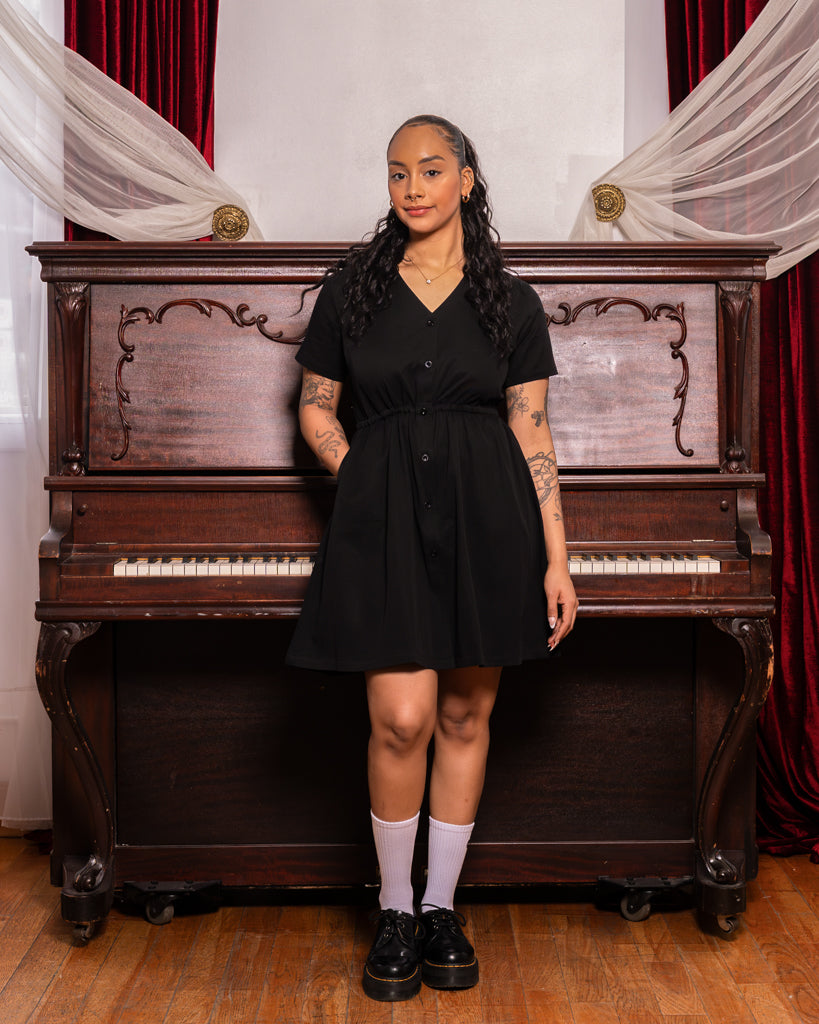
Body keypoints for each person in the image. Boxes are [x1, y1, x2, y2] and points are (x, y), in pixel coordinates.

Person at [286, 114, 578, 1002]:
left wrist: (556, 559)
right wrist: (360, 472)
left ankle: (441, 907)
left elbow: (530, 429)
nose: (411, 186)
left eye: (429, 169)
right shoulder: (352, 292)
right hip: (383, 523)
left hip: (490, 518)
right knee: (401, 717)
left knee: (461, 717)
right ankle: (395, 908)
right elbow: (314, 408)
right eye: (395, 173)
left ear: (466, 180)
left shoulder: (510, 301)